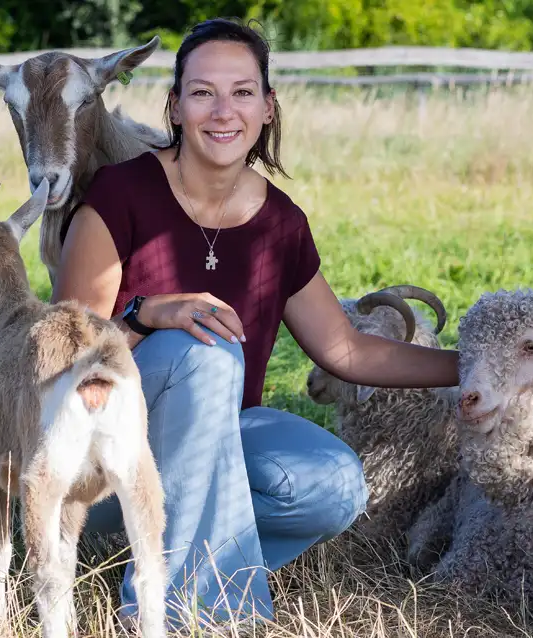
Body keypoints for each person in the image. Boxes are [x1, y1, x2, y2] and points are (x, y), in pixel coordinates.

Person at [51, 17, 460, 628]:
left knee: (336, 484)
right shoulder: (120, 194)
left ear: (268, 107)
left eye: (243, 92)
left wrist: (474, 365)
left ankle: (184, 567)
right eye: (202, 92)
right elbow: (64, 354)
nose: (223, 111)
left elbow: (347, 349)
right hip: (103, 459)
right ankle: (172, 612)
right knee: (208, 349)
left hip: (216, 446)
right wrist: (145, 313)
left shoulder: (281, 225)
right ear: (175, 105)